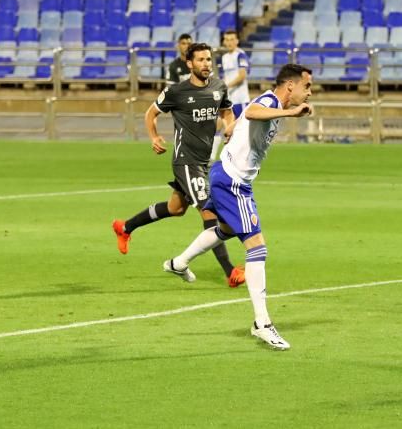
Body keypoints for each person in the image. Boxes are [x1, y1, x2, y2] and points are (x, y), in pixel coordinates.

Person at [163, 63, 315, 350]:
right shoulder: (270, 102)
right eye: (307, 86)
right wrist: (290, 112)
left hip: (227, 175)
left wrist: (233, 127)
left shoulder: (271, 104)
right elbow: (254, 111)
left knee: (226, 228)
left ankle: (179, 262)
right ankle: (262, 323)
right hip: (232, 181)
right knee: (257, 247)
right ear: (290, 86)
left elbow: (243, 120)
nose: (310, 92)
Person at [111, 43, 245, 288]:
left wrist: (229, 127)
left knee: (175, 208)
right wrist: (154, 137)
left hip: (204, 162)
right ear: (189, 64)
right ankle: (230, 271)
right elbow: (150, 113)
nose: (206, 64)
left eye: (208, 59)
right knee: (210, 213)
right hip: (186, 161)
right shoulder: (176, 92)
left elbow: (227, 113)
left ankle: (125, 227)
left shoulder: (219, 87)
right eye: (201, 60)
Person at [219, 29, 250, 119]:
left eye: (232, 39)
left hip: (241, 99)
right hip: (229, 100)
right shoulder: (224, 57)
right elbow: (225, 77)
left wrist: (226, 86)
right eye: (227, 40)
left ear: (237, 41)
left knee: (242, 128)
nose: (229, 43)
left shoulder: (241, 55)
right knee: (230, 128)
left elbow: (242, 76)